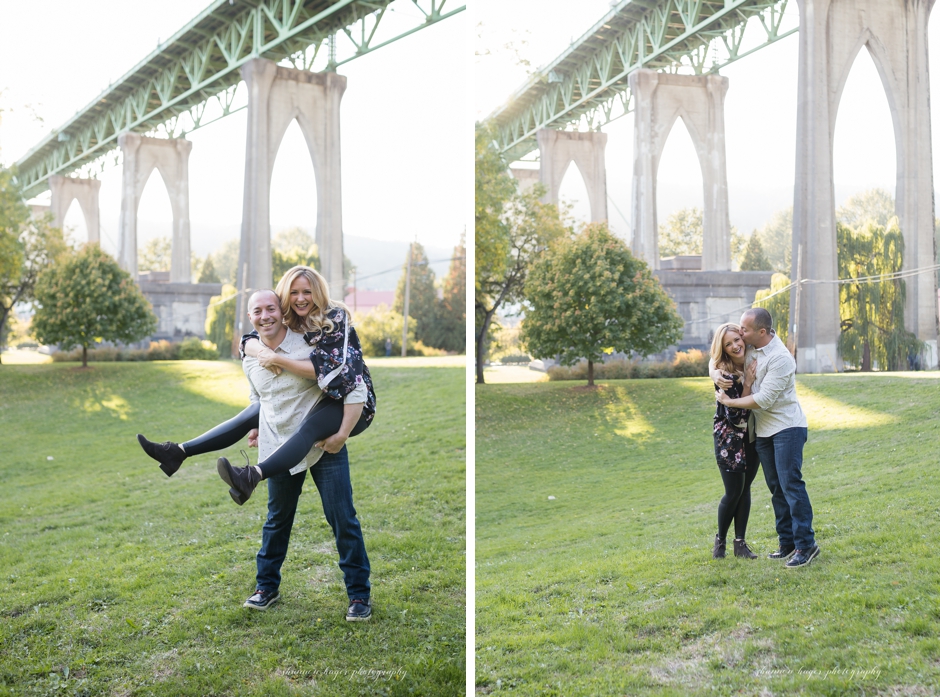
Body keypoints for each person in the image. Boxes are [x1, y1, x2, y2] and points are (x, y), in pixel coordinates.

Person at [137, 266, 376, 499]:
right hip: (325, 399)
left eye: (307, 292)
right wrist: (257, 350)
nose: (301, 298)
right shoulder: (292, 319)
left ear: (319, 292)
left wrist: (342, 434)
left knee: (309, 428)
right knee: (256, 411)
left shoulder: (334, 318)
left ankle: (252, 475)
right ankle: (177, 452)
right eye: (294, 292)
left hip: (351, 404)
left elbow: (335, 373)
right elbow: (250, 338)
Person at [712, 308, 819, 568]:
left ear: (761, 332)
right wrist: (714, 373)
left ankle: (806, 545)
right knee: (776, 489)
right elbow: (718, 354)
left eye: (744, 330)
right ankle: (787, 542)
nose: (740, 334)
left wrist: (730, 401)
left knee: (791, 485)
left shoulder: (781, 359)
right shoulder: (751, 346)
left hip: (787, 429)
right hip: (763, 431)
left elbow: (764, 399)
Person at [707, 323, 760, 560]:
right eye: (728, 344)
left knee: (745, 489)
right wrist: (747, 384)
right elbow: (737, 417)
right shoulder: (725, 376)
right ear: (723, 349)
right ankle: (720, 542)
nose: (735, 346)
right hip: (730, 440)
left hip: (752, 436)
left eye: (737, 340)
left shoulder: (752, 357)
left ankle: (740, 544)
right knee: (733, 491)